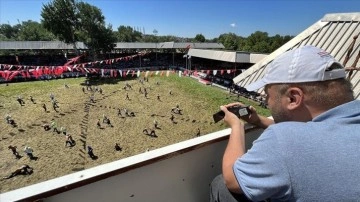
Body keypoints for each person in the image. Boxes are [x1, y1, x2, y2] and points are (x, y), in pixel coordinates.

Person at [210, 45, 360, 201]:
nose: (266, 101)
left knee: (220, 185)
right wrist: (258, 120)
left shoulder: (283, 139)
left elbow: (232, 179)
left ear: (293, 98)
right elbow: (315, 134)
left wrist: (236, 125)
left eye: (267, 95)